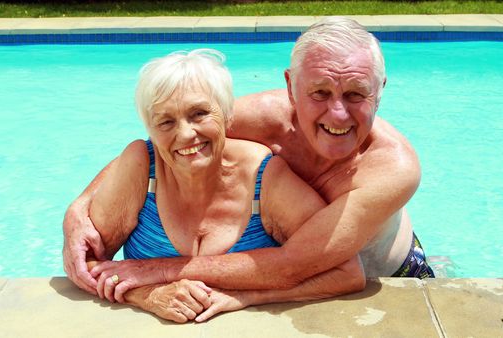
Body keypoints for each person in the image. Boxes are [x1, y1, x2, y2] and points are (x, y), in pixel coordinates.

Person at [64, 16, 433, 305]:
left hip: (390, 272)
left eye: (355, 94)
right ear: (291, 87)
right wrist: (79, 208)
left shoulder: (393, 168)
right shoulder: (261, 118)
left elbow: (295, 265)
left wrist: (157, 271)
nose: (337, 114)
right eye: (319, 92)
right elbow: (164, 144)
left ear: (380, 91)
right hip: (294, 276)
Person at [84, 48, 365, 323]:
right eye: (166, 121)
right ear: (150, 130)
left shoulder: (265, 178)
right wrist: (147, 294)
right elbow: (84, 262)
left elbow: (346, 271)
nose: (185, 134)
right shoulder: (141, 168)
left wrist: (248, 296)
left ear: (228, 115)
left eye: (199, 114)